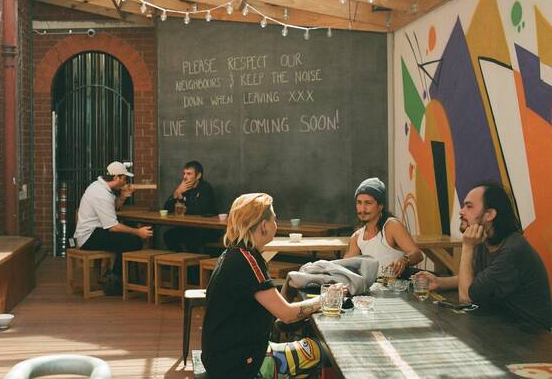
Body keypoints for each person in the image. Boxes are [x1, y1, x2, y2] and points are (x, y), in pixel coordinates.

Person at [202, 193, 337, 378]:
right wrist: (327, 299)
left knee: (302, 343)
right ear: (264, 225)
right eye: (274, 218)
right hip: (239, 365)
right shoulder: (248, 261)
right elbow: (287, 315)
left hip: (222, 356)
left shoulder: (236, 253)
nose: (276, 223)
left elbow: (273, 306)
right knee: (323, 351)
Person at [415, 181, 552, 330]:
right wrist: (440, 282)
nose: (461, 211)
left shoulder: (513, 251)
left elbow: (467, 298)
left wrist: (467, 246)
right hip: (501, 325)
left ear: (490, 214)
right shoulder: (485, 242)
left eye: (469, 206)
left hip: (532, 337)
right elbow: (477, 281)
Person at [73, 161, 154, 291]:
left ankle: (115, 277)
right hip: (89, 236)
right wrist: (138, 231)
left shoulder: (100, 187)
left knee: (128, 240)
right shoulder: (101, 193)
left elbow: (113, 208)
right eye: (124, 178)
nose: (125, 181)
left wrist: (122, 197)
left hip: (95, 231)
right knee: (132, 241)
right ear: (116, 177)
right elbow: (113, 227)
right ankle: (115, 281)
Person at [344, 177, 423, 278]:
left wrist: (404, 260)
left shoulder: (392, 226)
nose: (362, 209)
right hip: (373, 290)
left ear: (380, 205)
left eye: (368, 203)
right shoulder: (357, 237)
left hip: (397, 288)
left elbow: (417, 254)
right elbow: (345, 267)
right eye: (359, 203)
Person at [163, 160, 219, 253]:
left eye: (189, 174)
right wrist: (176, 193)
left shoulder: (205, 188)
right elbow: (166, 209)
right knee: (168, 236)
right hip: (189, 227)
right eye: (184, 173)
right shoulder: (183, 188)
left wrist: (184, 208)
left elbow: (200, 210)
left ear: (198, 176)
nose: (185, 177)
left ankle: (192, 266)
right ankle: (181, 263)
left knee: (190, 239)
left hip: (206, 229)